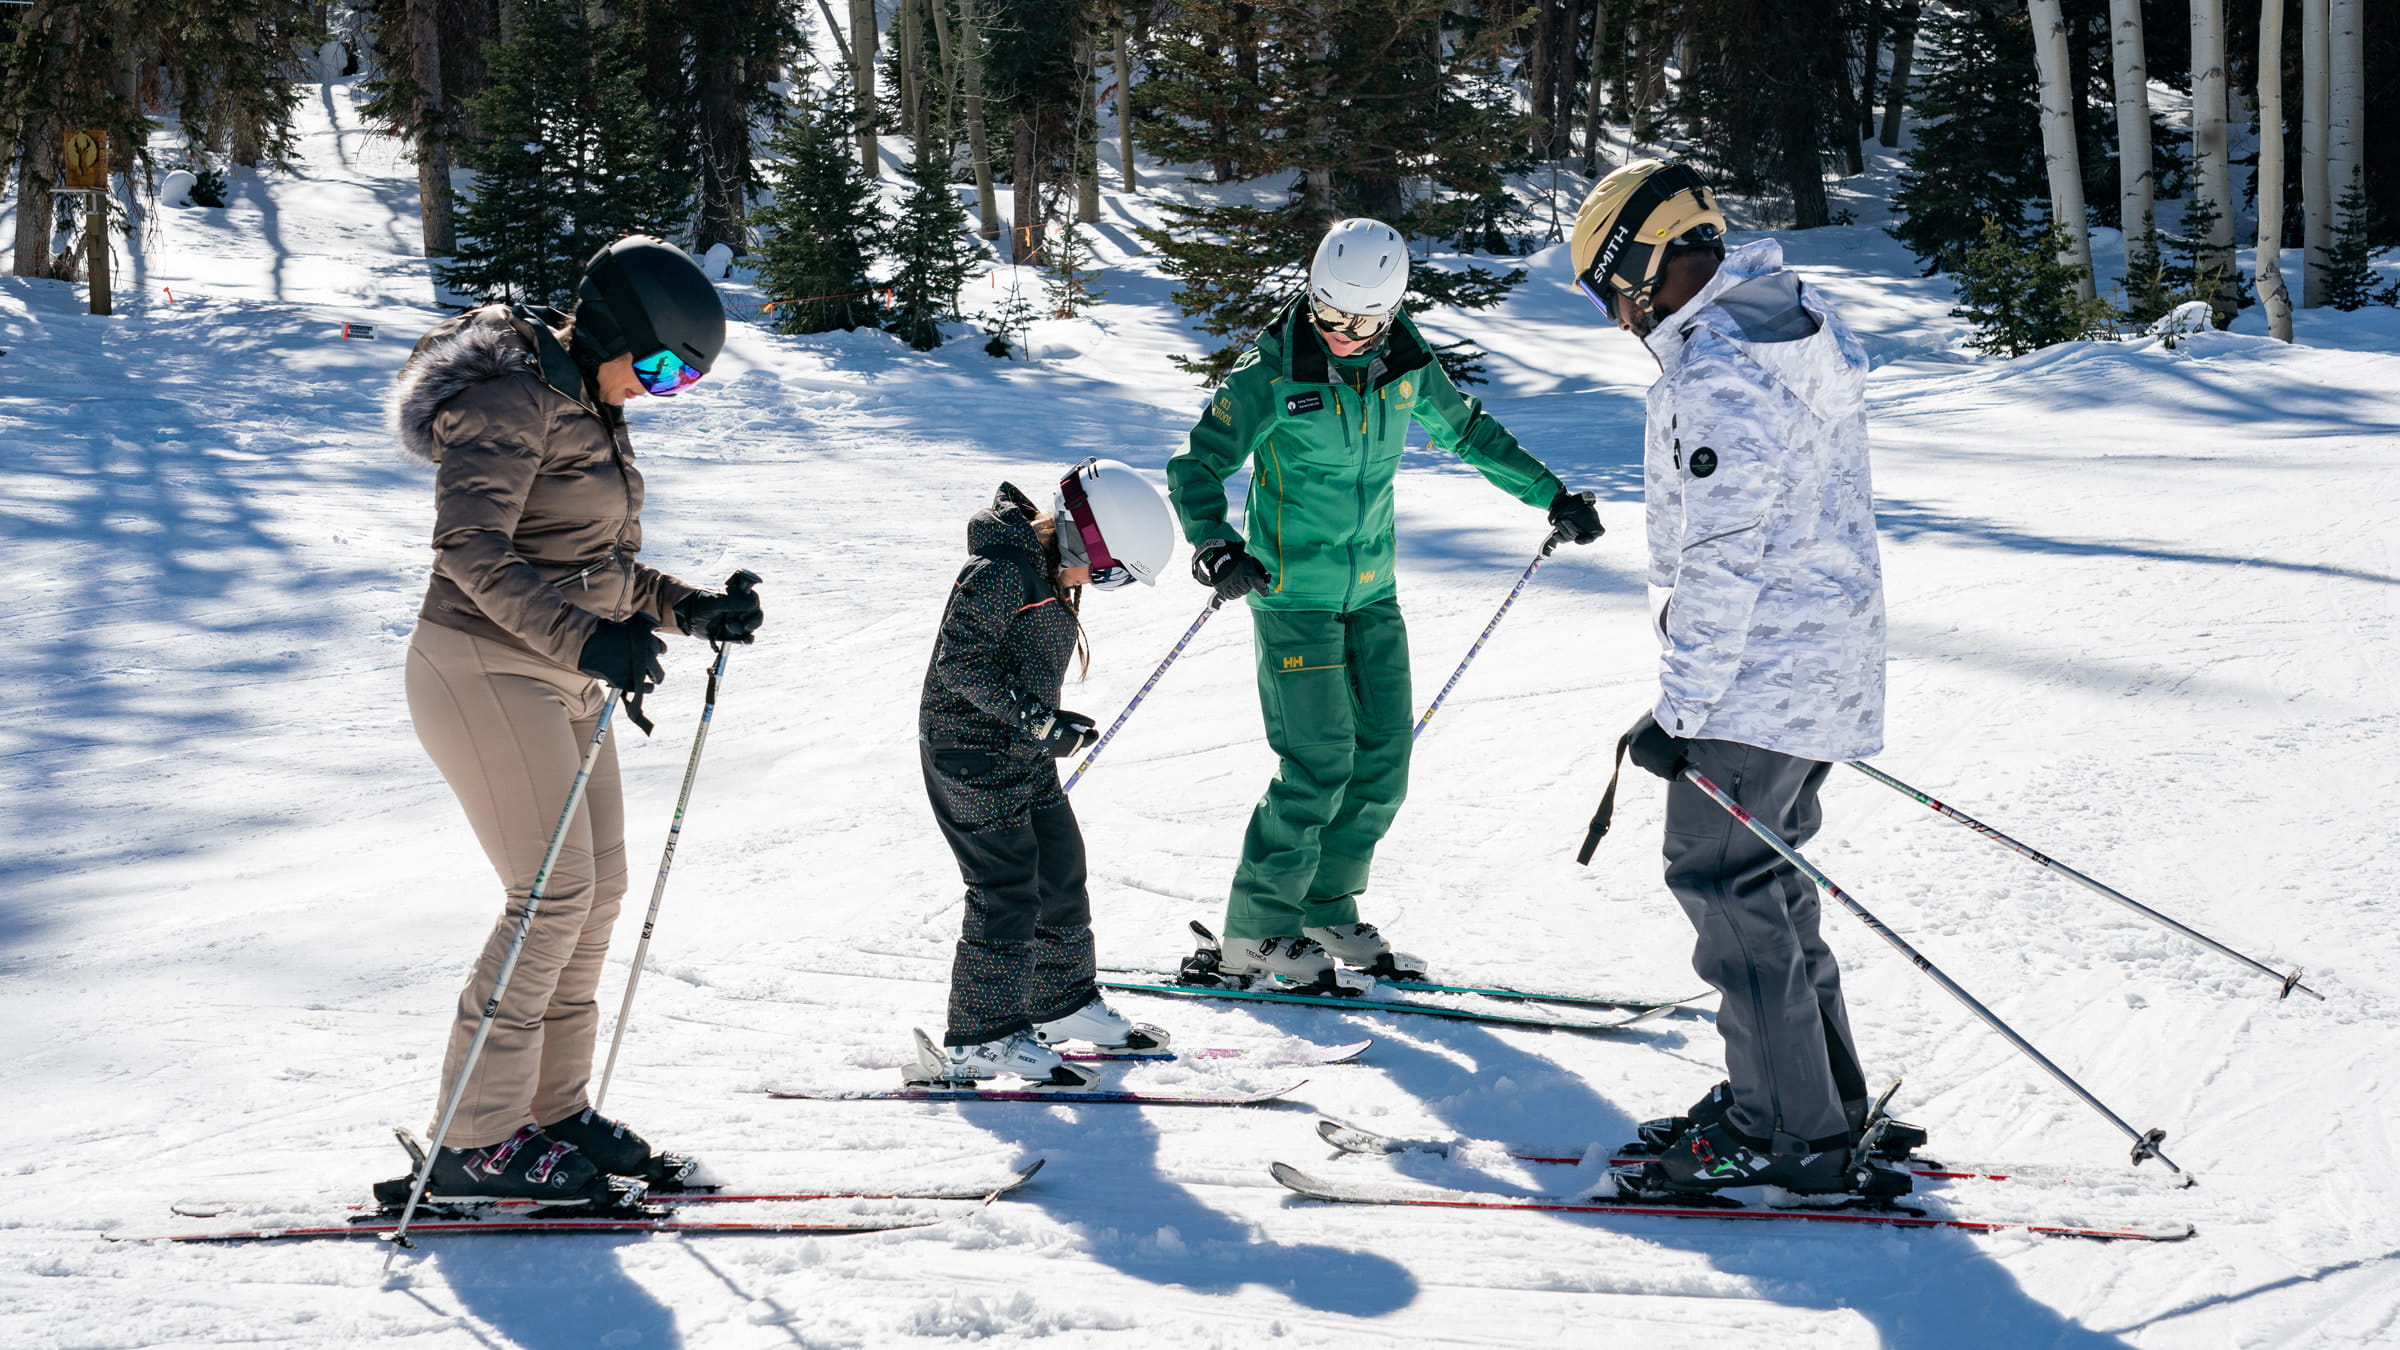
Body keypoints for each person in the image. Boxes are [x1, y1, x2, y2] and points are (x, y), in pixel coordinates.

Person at [1564, 159, 1917, 1201]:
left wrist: (1684, 708)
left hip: (1758, 683)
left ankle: (1784, 1131)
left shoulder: (1718, 367)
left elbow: (1726, 555)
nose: (1615, 316)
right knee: (1771, 890)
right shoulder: (1782, 328)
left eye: (1608, 290)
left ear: (1642, 265)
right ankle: (1820, 1105)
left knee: (1726, 887)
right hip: (1810, 675)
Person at [394, 237, 764, 1201]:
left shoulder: (590, 407)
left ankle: (550, 1112)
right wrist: (589, 639)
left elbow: (596, 566)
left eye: (682, 380)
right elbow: (469, 551)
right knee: (549, 894)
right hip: (482, 662)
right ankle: (474, 1140)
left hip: (557, 668)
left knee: (597, 892)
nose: (663, 389)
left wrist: (689, 608)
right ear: (609, 331)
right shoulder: (508, 398)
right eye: (659, 367)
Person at [1166, 218, 1604, 989]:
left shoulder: (1404, 362)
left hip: (1373, 592)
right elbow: (1197, 463)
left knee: (1384, 760)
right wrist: (1215, 543)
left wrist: (1552, 496)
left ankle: (1324, 904)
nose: (1347, 333)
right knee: (1318, 762)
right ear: (1314, 298)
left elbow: (1467, 432)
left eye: (1368, 321)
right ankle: (1255, 931)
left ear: (1393, 311)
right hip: (1291, 593)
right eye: (1334, 316)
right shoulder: (1274, 369)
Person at [909, 458, 1180, 1087]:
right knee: (1005, 888)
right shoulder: (1001, 571)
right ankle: (984, 1039)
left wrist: (1052, 725)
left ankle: (1060, 1007)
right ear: (1085, 534)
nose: (1100, 584)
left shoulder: (1038, 571)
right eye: (1109, 573)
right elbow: (960, 666)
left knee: (1060, 867)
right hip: (970, 753)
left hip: (1016, 751)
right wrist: (1038, 722)